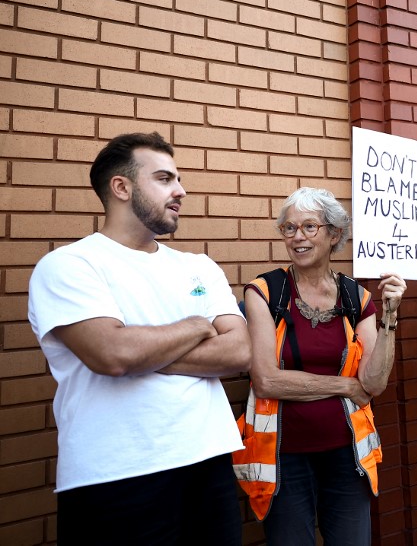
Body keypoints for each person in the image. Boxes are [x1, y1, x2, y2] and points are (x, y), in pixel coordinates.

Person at [27, 132, 251, 545]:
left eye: (178, 179)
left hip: (209, 463)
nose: (180, 191)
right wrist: (197, 326)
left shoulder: (198, 266)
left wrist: (144, 353)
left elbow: (240, 351)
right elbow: (113, 354)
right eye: (164, 179)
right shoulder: (70, 265)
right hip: (117, 475)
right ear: (121, 187)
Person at [233, 187, 405, 546]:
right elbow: (266, 381)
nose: (297, 237)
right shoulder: (264, 292)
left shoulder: (356, 297)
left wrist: (389, 317)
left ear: (334, 235)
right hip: (282, 460)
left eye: (309, 227)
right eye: (289, 228)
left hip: (347, 455)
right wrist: (344, 386)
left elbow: (373, 384)